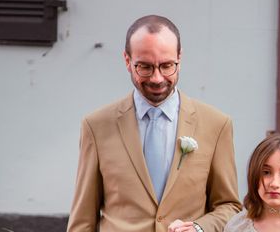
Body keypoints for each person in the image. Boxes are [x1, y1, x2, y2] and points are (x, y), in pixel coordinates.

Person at [67, 15, 241, 232]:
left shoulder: (217, 124)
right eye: (145, 67)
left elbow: (230, 207)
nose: (157, 78)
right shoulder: (96, 126)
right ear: (127, 60)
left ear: (180, 57)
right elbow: (83, 220)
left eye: (167, 66)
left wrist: (198, 227)